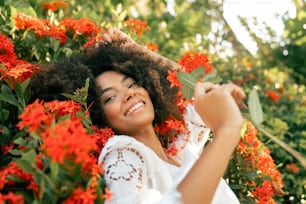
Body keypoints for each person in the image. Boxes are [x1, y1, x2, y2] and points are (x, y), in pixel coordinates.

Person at [29, 29, 246, 204]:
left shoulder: (182, 150)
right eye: (110, 97)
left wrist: (138, 51)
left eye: (132, 84)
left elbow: (203, 91)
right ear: (98, 117)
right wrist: (226, 133)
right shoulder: (123, 154)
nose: (129, 93)